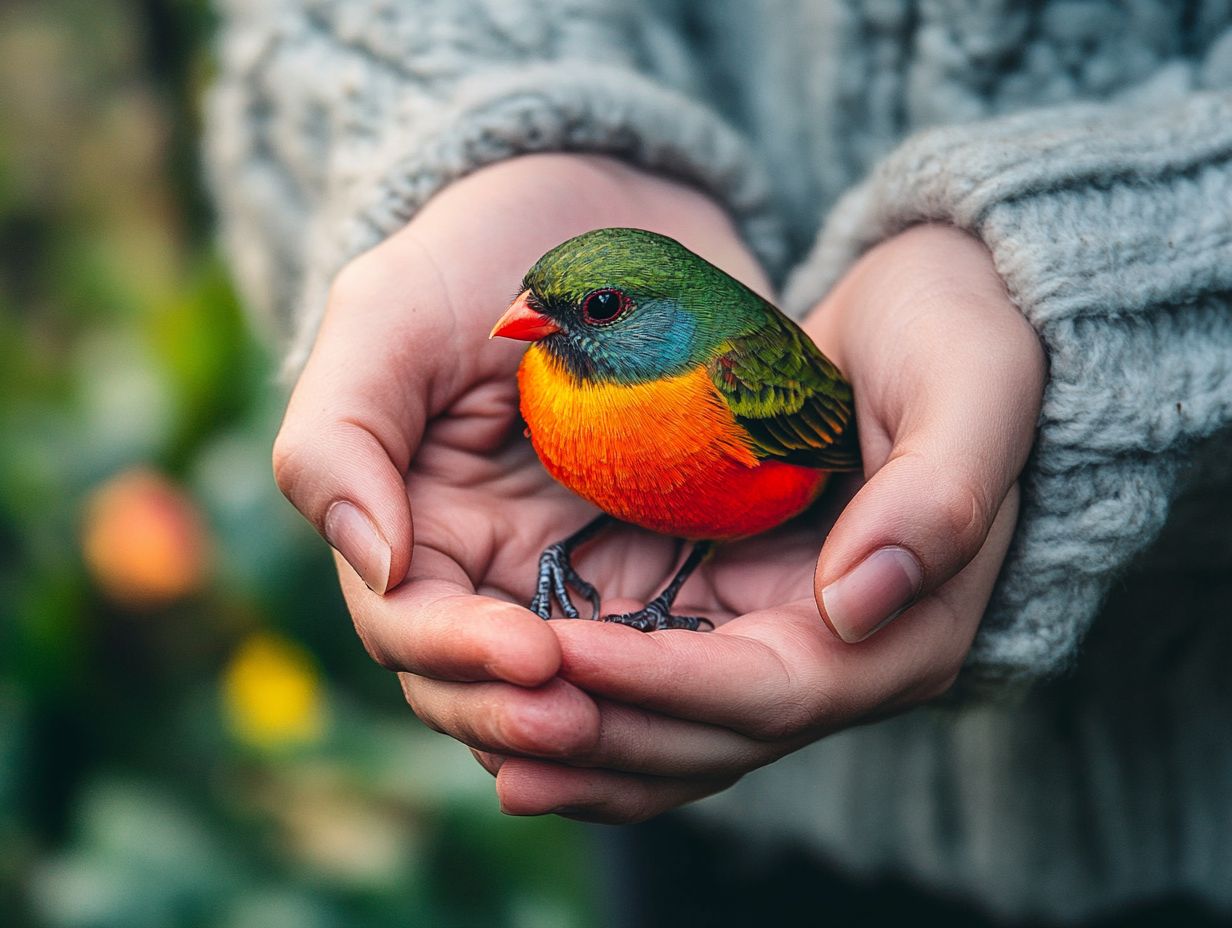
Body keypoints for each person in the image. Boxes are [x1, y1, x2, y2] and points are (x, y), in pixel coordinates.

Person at [206, 1, 1232, 922]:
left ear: (657, 320)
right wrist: (493, 155)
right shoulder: (540, 374)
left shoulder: (742, 379)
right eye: (540, 300)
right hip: (698, 851)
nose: (526, 324)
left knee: (684, 533)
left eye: (592, 310)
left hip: (1164, 822)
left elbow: (828, 450)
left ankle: (657, 599)